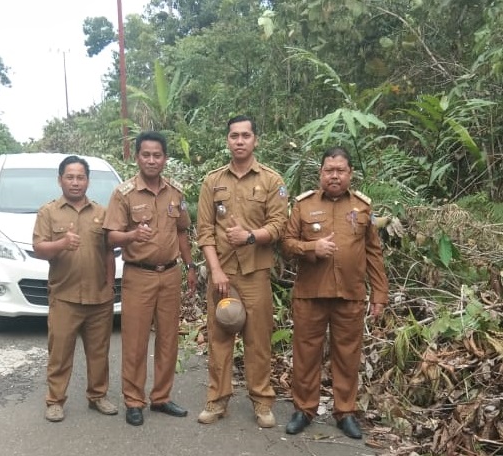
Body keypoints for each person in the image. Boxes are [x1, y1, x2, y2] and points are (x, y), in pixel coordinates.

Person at [281, 146, 388, 439]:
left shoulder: (363, 207)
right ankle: (304, 409)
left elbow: (373, 254)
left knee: (347, 356)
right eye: (329, 170)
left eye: (340, 170)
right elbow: (287, 244)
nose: (335, 176)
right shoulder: (302, 205)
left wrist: (380, 294)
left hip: (350, 296)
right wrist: (310, 248)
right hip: (310, 295)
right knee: (305, 355)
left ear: (350, 173)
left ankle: (345, 412)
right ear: (320, 173)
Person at [196, 115, 288, 427]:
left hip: (255, 273)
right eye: (234, 135)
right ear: (227, 140)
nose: (239, 141)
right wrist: (216, 271)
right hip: (223, 274)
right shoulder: (212, 181)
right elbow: (205, 232)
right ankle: (217, 399)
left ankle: (262, 402)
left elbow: (278, 226)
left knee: (258, 341)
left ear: (255, 140)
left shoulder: (271, 181)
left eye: (245, 135)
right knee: (219, 338)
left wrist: (249, 236)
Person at [103, 131, 197, 426]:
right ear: (137, 157)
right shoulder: (124, 193)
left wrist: (190, 265)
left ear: (165, 159)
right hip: (138, 276)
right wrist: (132, 234)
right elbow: (110, 237)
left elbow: (182, 230)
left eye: (157, 155)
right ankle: (134, 400)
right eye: (146, 155)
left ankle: (162, 397)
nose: (152, 160)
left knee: (169, 338)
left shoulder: (175, 193)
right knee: (135, 341)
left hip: (170, 275)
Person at [33, 155, 117, 423]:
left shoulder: (102, 213)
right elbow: (39, 249)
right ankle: (55, 401)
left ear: (87, 181)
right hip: (64, 297)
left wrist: (110, 287)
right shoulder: (48, 212)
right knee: (59, 354)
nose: (75, 182)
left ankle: (98, 396)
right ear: (60, 180)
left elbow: (109, 252)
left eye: (80, 177)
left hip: (98, 298)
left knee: (99, 353)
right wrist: (61, 244)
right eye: (70, 177)